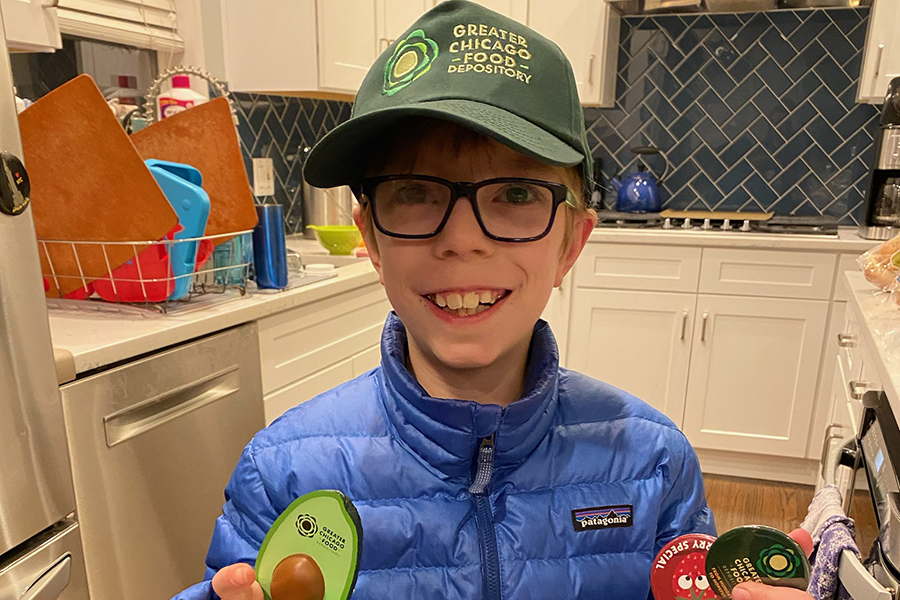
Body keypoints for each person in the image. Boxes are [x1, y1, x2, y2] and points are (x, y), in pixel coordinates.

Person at [172, 2, 814, 599]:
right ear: (370, 236)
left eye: (514, 195)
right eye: (415, 191)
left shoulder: (652, 465)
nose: (462, 240)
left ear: (571, 244)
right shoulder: (283, 476)